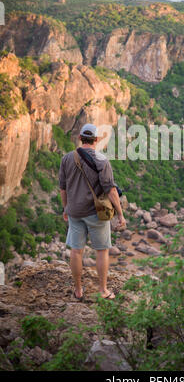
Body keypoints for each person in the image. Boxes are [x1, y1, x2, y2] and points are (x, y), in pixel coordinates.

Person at [59, 123, 126, 301]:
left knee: (76, 251)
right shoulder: (102, 161)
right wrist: (120, 214)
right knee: (102, 250)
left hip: (75, 212)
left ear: (80, 138)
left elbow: (63, 189)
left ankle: (78, 290)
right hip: (97, 213)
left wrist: (65, 208)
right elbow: (111, 190)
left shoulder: (66, 159)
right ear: (96, 140)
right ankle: (103, 290)